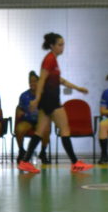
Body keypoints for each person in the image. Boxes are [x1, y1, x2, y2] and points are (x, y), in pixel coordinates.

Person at [17, 33, 93, 174]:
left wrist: (78, 88)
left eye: (63, 44)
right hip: (50, 101)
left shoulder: (53, 60)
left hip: (47, 101)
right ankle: (75, 163)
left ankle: (25, 162)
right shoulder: (49, 59)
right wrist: (37, 98)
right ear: (52, 45)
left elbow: (60, 80)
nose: (62, 47)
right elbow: (41, 80)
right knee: (65, 129)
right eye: (60, 44)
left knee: (39, 131)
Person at [15, 71, 51, 164]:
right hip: (28, 121)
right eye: (30, 81)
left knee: (46, 129)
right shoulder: (24, 96)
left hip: (40, 121)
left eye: (35, 81)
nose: (32, 83)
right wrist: (19, 112)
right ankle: (22, 151)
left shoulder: (45, 95)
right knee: (19, 129)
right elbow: (19, 109)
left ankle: (43, 152)